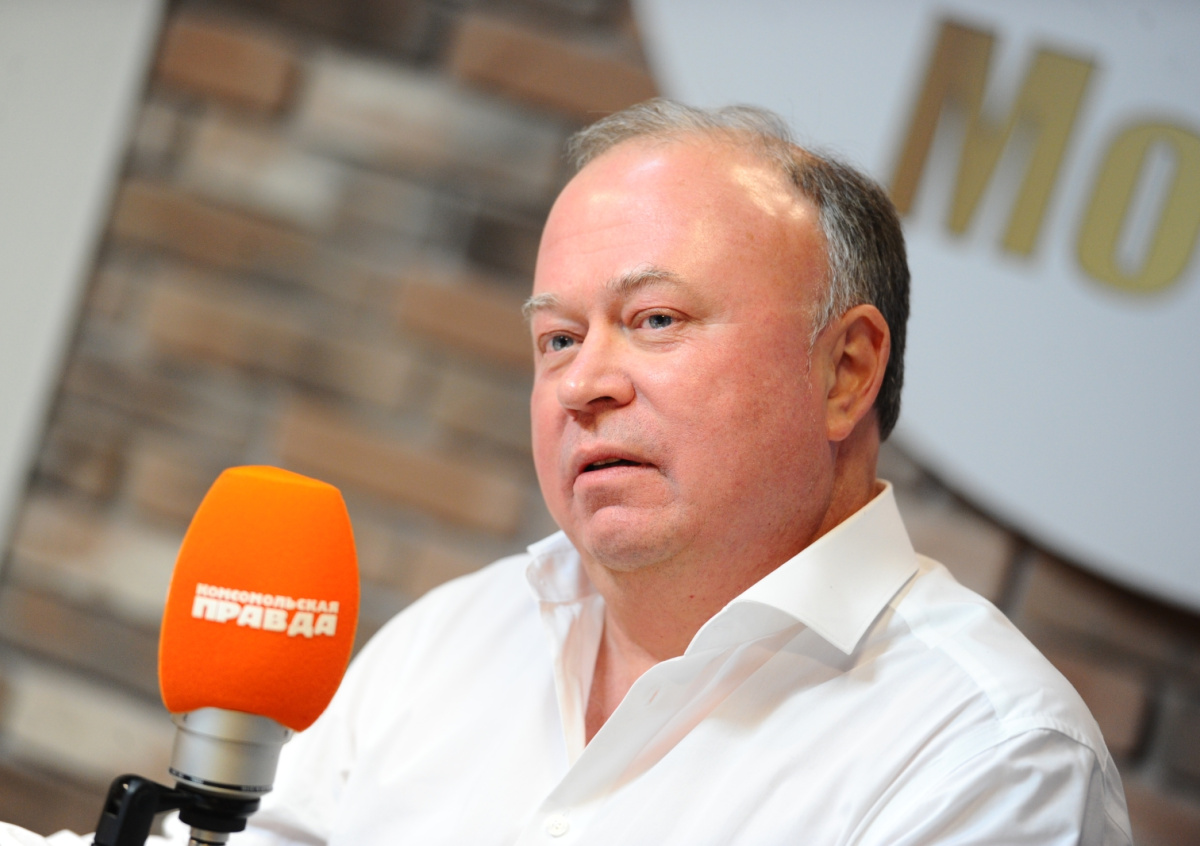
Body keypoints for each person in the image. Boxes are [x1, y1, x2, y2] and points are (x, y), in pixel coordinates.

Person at [2, 100, 1131, 846]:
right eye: (555, 338)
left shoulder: (991, 760)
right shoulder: (459, 636)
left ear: (845, 372)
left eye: (654, 319)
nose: (583, 382)